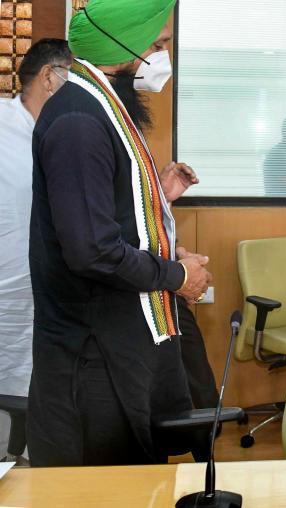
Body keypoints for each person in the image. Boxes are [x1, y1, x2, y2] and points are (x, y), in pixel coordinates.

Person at [28, 0, 213, 466]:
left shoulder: (97, 106)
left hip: (115, 338)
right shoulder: (78, 121)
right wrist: (175, 275)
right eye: (159, 44)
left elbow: (103, 210)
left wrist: (157, 202)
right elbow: (92, 250)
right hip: (91, 355)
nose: (163, 57)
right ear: (125, 45)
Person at [0, 38, 72, 461]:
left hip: (47, 298)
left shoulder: (64, 133)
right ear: (49, 76)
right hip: (8, 297)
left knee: (38, 406)